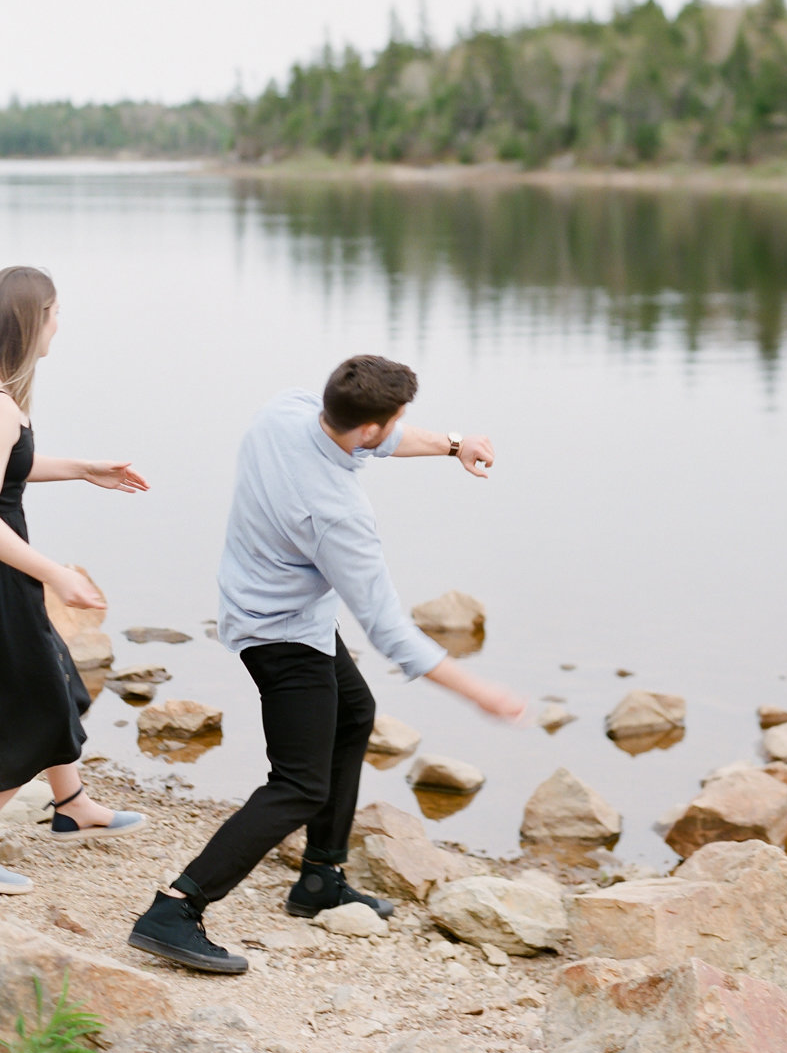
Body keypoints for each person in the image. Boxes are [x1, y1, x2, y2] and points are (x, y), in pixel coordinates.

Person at [130, 353, 525, 974]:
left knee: (354, 713)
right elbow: (392, 632)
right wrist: (481, 692)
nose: (396, 429)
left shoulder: (283, 413)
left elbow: (383, 437)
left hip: (267, 602)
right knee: (297, 784)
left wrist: (456, 444)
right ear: (370, 428)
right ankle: (175, 909)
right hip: (277, 634)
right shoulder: (336, 513)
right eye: (394, 420)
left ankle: (319, 879)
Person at [0, 265, 149, 896]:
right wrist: (57, 575)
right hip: (7, 575)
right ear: (33, 321)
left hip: (12, 572)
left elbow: (10, 470)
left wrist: (83, 468)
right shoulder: (1, 407)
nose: (61, 322)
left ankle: (73, 804)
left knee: (56, 676)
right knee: (35, 701)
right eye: (56, 311)